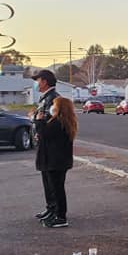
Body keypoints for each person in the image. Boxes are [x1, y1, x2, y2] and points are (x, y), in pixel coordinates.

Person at [34, 96, 77, 228]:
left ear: (60, 108)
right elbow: (47, 136)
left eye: (54, 105)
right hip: (58, 160)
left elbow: (45, 134)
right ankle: (55, 213)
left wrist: (39, 122)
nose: (52, 107)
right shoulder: (64, 122)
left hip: (56, 161)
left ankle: (61, 216)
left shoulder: (59, 122)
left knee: (57, 189)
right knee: (55, 188)